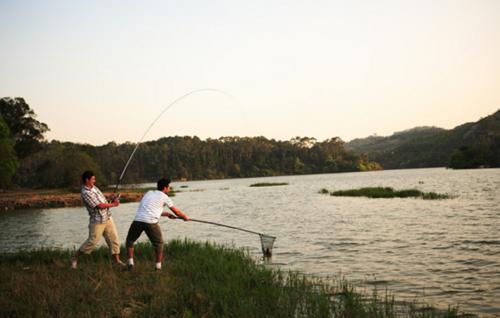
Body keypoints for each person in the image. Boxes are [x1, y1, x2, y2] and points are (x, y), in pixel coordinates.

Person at [126, 178, 189, 271]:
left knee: (130, 241)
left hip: (138, 220)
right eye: (169, 187)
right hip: (151, 222)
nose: (169, 189)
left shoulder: (149, 193)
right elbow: (176, 211)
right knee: (159, 244)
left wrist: (166, 214)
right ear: (165, 188)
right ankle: (158, 267)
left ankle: (130, 263)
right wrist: (185, 217)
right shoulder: (165, 197)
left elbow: (149, 209)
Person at [71, 171, 125, 269]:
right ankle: (75, 258)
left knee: (114, 239)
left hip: (107, 217)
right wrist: (113, 204)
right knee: (92, 242)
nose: (94, 181)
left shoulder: (94, 188)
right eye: (93, 179)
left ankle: (116, 261)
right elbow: (99, 205)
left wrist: (110, 198)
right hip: (97, 221)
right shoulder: (85, 192)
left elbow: (102, 200)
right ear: (87, 180)